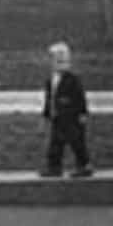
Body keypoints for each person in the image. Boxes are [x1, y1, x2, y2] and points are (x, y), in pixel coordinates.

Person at [40, 40, 92, 177]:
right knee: (55, 143)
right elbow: (50, 99)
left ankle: (84, 165)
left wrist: (82, 113)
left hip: (72, 117)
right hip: (57, 117)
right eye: (56, 61)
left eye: (63, 61)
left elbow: (80, 97)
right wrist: (47, 113)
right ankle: (54, 167)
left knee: (76, 142)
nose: (59, 64)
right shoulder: (50, 80)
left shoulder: (73, 80)